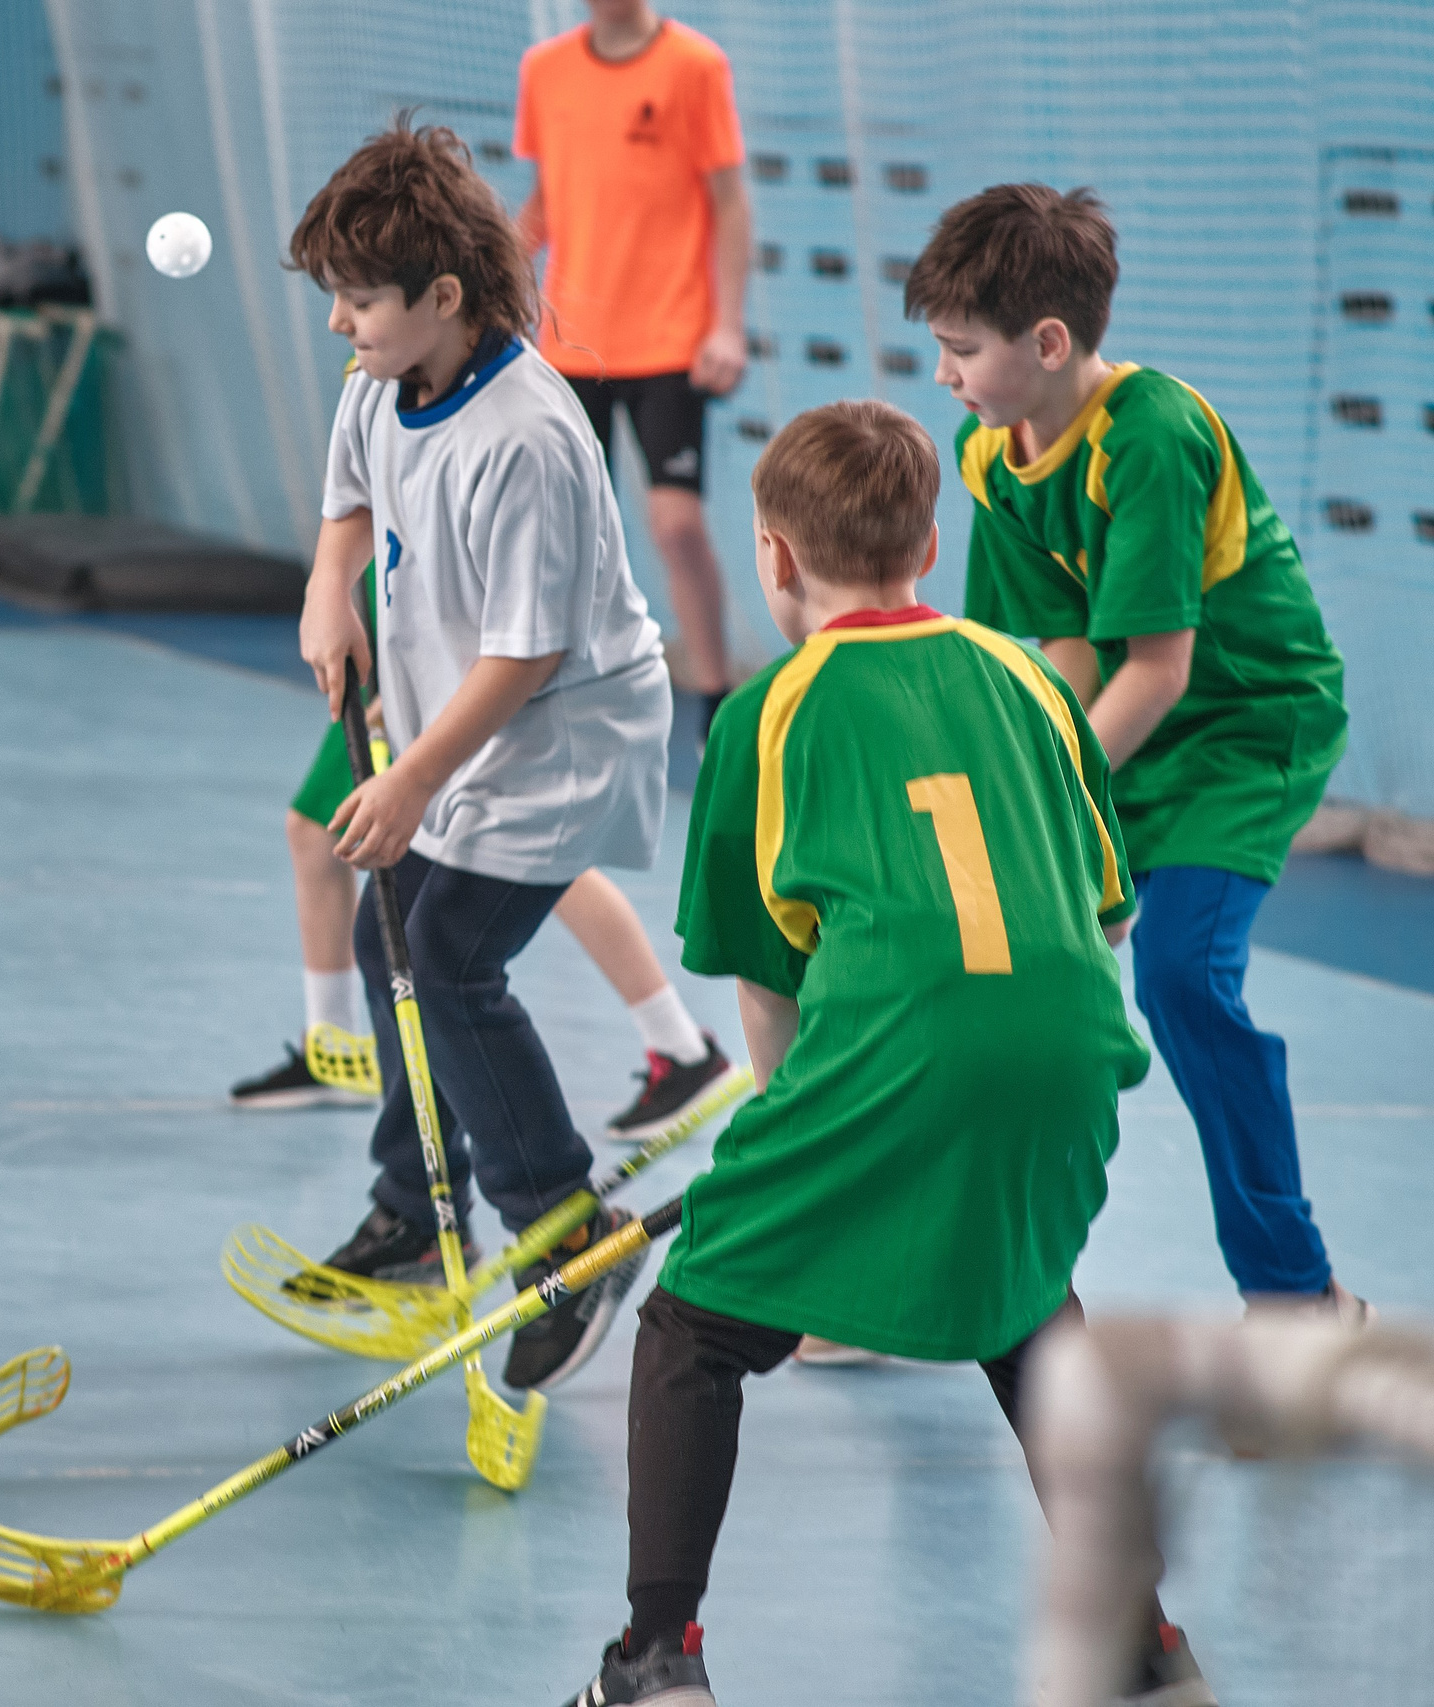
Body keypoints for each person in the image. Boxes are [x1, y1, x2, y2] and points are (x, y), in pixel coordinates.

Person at [563, 401, 1213, 1707]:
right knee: (1026, 1308)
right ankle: (1145, 1646)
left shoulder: (770, 713)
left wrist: (792, 1139)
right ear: (930, 537)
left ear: (775, 558)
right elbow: (1108, 906)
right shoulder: (1031, 674)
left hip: (900, 1051)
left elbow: (768, 998)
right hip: (1075, 1047)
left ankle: (655, 1657)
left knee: (693, 1322)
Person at [905, 185, 1364, 1322]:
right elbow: (1068, 654)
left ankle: (1296, 1301)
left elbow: (1156, 669)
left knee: (1178, 982)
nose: (943, 375)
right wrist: (1027, 786)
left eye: (962, 350)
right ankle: (973, 1277)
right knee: (1017, 974)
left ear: (1047, 342)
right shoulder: (988, 454)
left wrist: (1050, 796)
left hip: (1245, 727)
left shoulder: (1150, 437)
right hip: (1129, 728)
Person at [288, 120, 671, 1392]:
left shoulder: (527, 440)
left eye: (358, 300)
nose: (340, 325)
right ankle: (416, 1203)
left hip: (563, 740)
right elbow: (349, 502)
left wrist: (406, 779)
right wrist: (326, 589)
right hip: (463, 722)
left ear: (442, 297)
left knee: (444, 956)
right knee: (387, 931)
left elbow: (526, 661)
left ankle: (568, 1230)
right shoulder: (381, 384)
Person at [233, 688, 737, 1142]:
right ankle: (335, 1043)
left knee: (528, 853)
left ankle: (679, 1045)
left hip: (453, 675)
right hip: (405, 658)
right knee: (320, 832)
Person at [514, 0, 750, 743]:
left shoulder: (694, 66)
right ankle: (559, 689)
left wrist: (728, 325)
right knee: (567, 529)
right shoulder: (544, 70)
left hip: (672, 341)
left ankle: (716, 698)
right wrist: (494, 280)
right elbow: (548, 200)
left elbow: (731, 203)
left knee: (675, 526)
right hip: (571, 342)